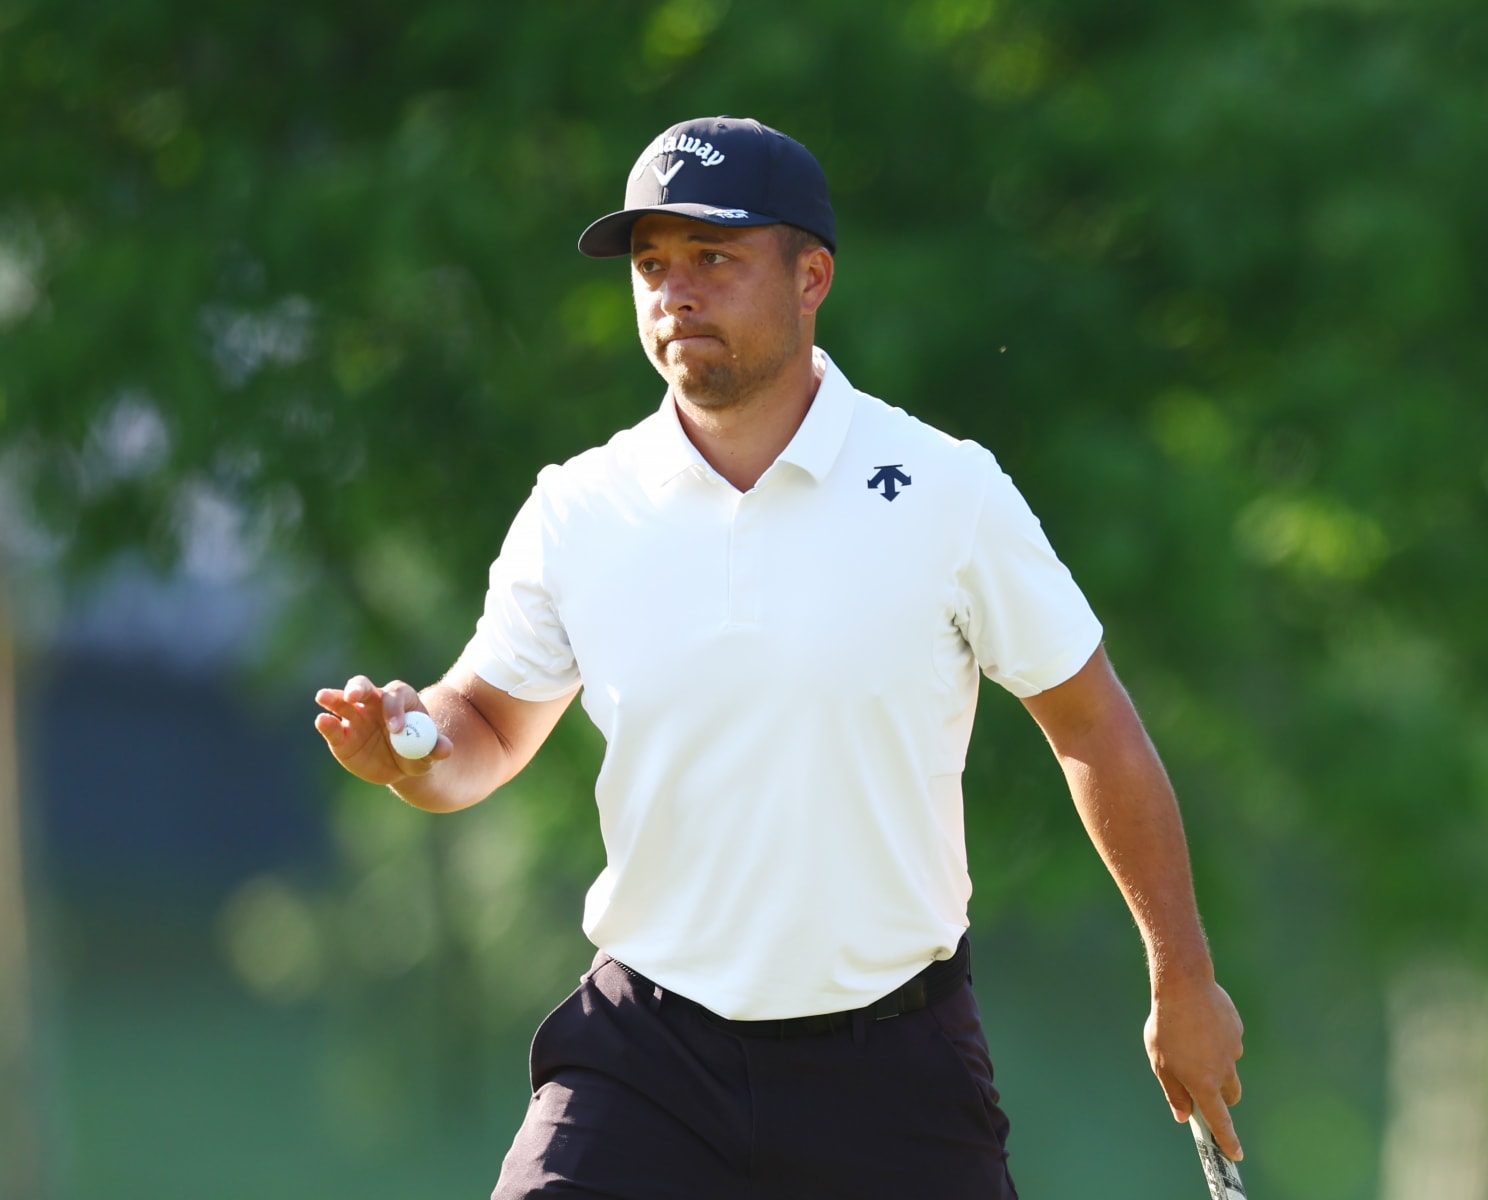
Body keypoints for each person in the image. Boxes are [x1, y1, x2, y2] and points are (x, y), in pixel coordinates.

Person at [314, 115, 1244, 1199]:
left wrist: (1183, 978)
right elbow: (483, 724)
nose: (675, 293)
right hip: (648, 1054)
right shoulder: (580, 506)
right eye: (652, 266)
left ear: (812, 277)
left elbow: (1093, 726)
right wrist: (412, 750)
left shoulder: (946, 490)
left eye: (713, 258)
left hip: (891, 1066)